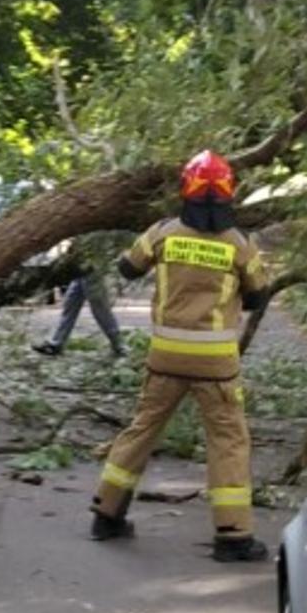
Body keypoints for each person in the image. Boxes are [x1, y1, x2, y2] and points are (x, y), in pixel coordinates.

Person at [88, 150, 272, 563]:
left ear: (184, 188)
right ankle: (233, 535)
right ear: (228, 193)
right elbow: (259, 296)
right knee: (228, 441)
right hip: (216, 365)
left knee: (143, 428)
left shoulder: (162, 233)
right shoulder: (239, 245)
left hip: (165, 356)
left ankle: (106, 512)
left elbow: (127, 268)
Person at [33, 235, 129, 357]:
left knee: (100, 310)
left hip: (91, 269)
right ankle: (56, 344)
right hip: (80, 270)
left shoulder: (96, 231)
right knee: (70, 305)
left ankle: (119, 346)